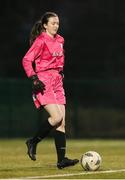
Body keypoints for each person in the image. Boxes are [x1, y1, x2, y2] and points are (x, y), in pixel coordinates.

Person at [22, 12, 79, 169]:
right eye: (53, 23)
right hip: (43, 81)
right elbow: (26, 59)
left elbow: (59, 59)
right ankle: (33, 141)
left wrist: (60, 71)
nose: (56, 25)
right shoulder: (41, 40)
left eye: (58, 23)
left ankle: (61, 160)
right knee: (56, 117)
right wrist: (34, 78)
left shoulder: (60, 40)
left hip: (57, 82)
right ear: (45, 25)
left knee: (62, 123)